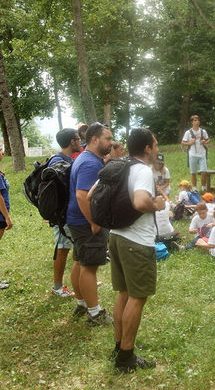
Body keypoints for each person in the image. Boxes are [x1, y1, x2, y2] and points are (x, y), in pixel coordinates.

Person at [104, 128, 165, 372]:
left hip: (117, 236)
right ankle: (126, 357)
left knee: (124, 294)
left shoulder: (121, 165)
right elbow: (140, 202)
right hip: (136, 242)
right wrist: (156, 204)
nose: (157, 148)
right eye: (156, 144)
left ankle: (119, 347)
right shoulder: (141, 170)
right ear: (147, 148)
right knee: (137, 298)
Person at [67, 122, 113, 325]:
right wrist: (94, 222)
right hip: (86, 223)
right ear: (94, 139)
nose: (110, 142)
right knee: (89, 266)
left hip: (77, 221)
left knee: (79, 261)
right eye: (108, 139)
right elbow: (81, 195)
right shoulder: (90, 163)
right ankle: (95, 314)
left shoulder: (86, 158)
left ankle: (82, 303)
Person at [49, 128, 81, 297]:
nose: (80, 141)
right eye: (78, 138)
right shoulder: (58, 161)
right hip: (62, 215)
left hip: (69, 213)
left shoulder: (67, 160)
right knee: (62, 249)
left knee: (75, 247)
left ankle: (80, 281)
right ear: (71, 141)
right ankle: (57, 287)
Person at [181, 115, 210, 191]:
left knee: (204, 171)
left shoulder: (203, 131)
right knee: (193, 172)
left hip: (202, 154)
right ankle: (195, 189)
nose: (197, 122)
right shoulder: (188, 132)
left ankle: (203, 188)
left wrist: (204, 142)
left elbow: (208, 140)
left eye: (198, 120)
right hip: (192, 154)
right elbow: (183, 142)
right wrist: (190, 142)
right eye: (195, 120)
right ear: (192, 122)